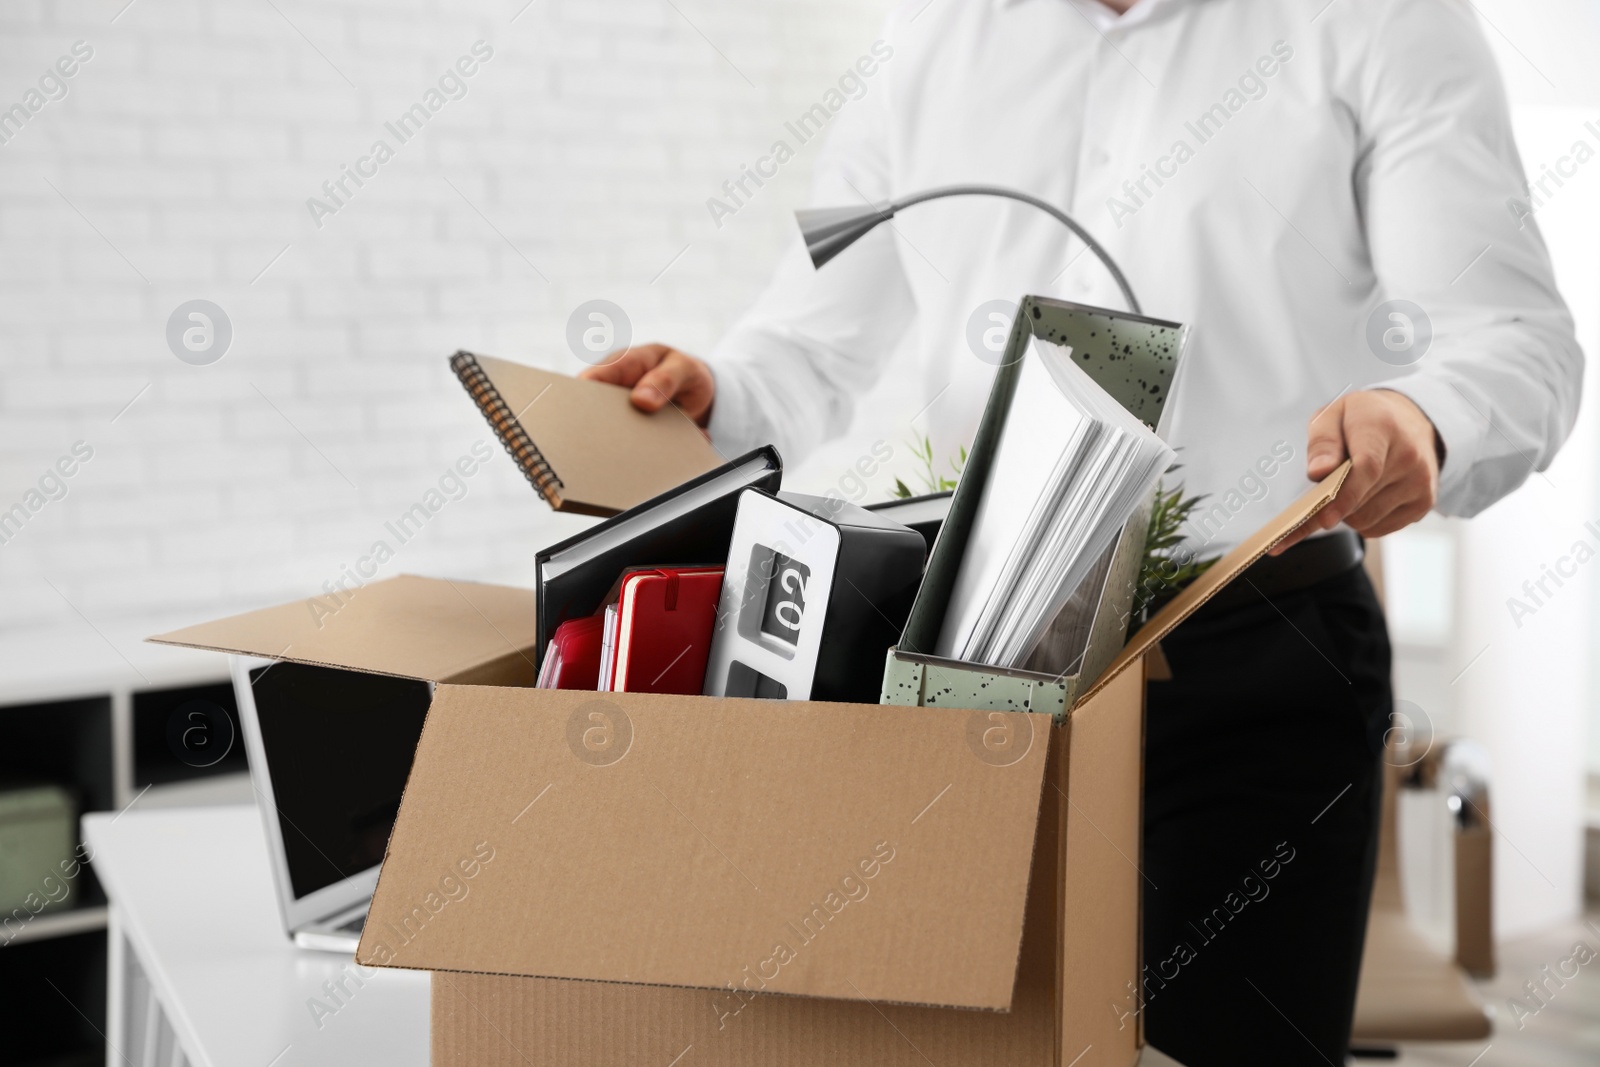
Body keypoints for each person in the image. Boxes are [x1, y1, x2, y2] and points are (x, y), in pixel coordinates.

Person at [583, 0, 1583, 1062]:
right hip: (977, 659)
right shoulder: (930, 35)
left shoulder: (1380, 21)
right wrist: (716, 392)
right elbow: (807, 340)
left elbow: (1516, 344)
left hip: (1251, 652)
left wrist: (1423, 417)